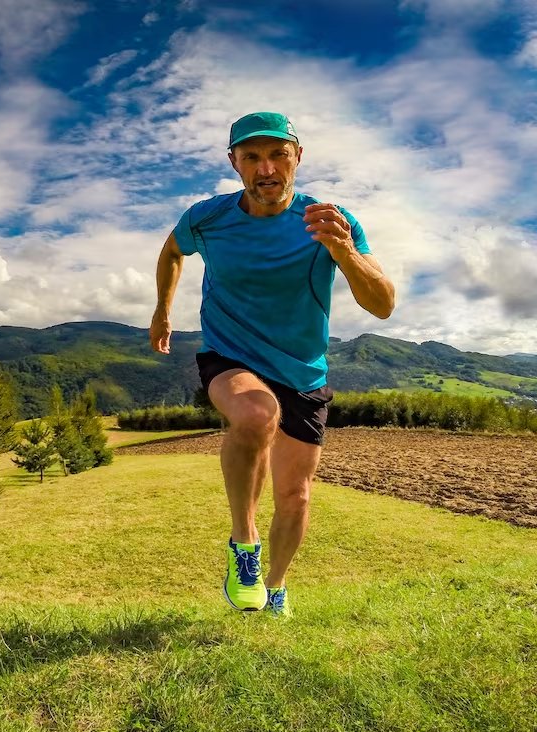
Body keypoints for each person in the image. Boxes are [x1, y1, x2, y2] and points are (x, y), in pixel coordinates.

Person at [149, 111, 395, 617]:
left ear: (297, 157)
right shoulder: (207, 218)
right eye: (252, 157)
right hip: (230, 355)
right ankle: (244, 544)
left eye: (278, 154)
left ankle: (276, 586)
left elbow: (383, 304)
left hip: (302, 371)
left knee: (296, 497)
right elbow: (172, 252)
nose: (266, 169)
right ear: (234, 163)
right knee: (256, 414)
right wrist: (162, 311)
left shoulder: (330, 221)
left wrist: (343, 250)